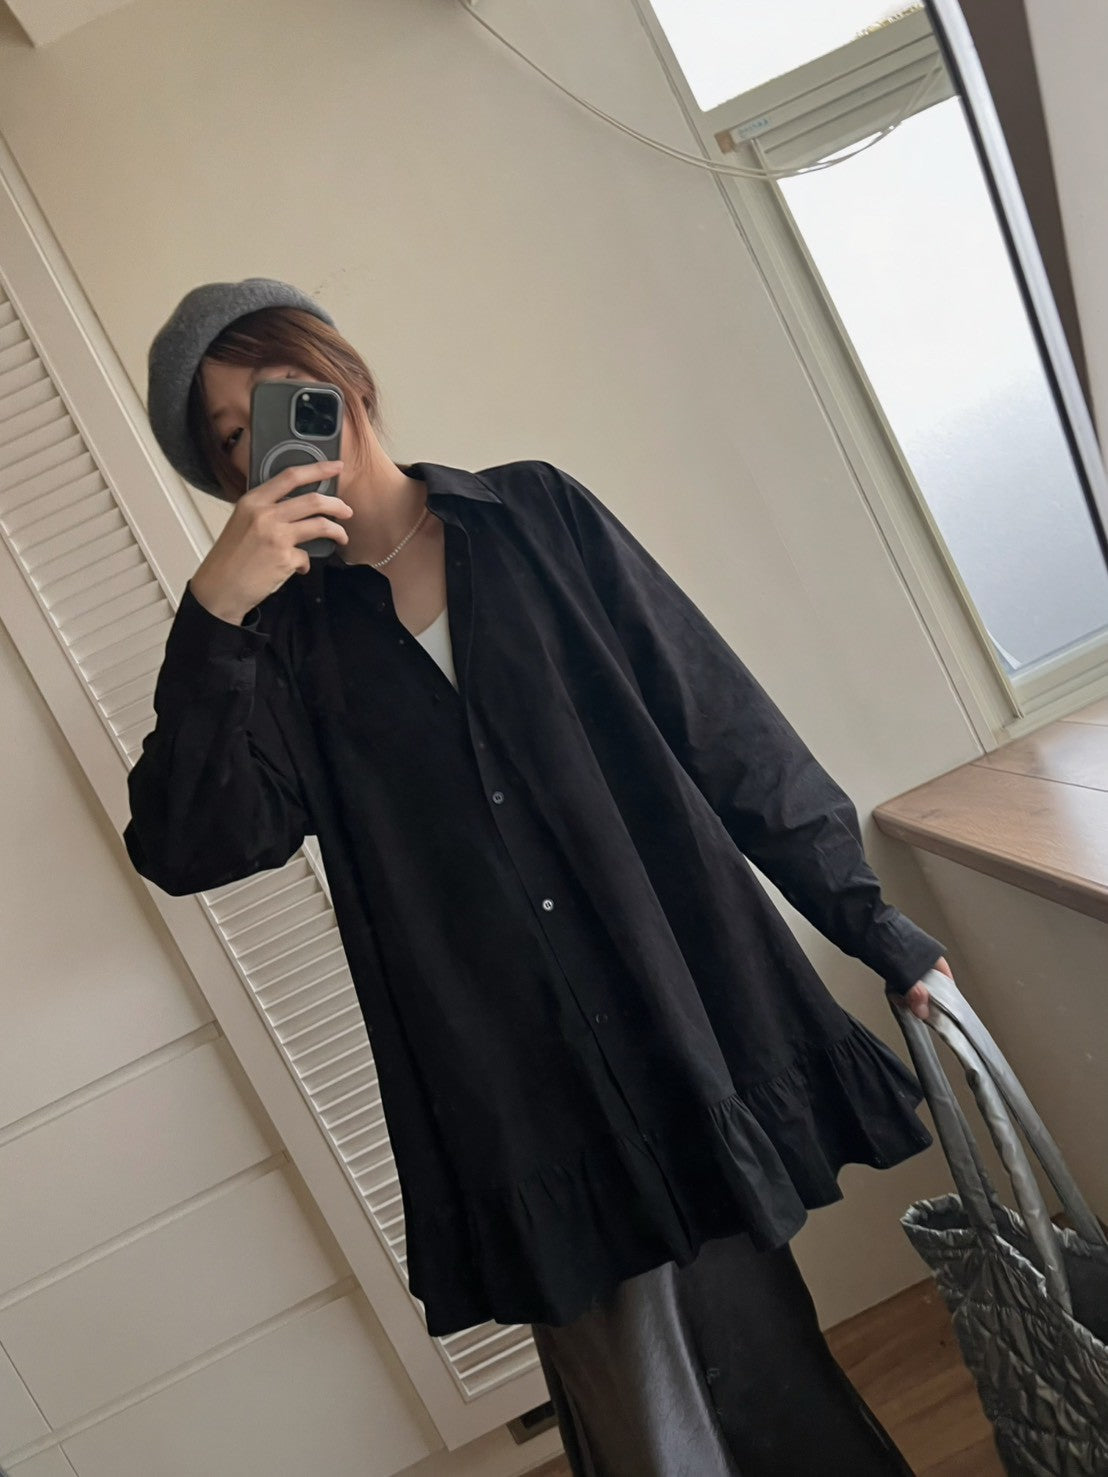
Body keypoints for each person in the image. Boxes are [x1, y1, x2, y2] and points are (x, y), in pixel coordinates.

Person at [128, 277, 954, 1476]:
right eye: (233, 435)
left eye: (285, 392)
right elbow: (189, 846)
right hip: (516, 1091)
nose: (276, 436)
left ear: (344, 373)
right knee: (646, 1420)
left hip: (676, 1018)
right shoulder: (277, 648)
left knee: (765, 1367)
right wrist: (213, 612)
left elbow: (723, 728)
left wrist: (873, 926)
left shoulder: (534, 518)